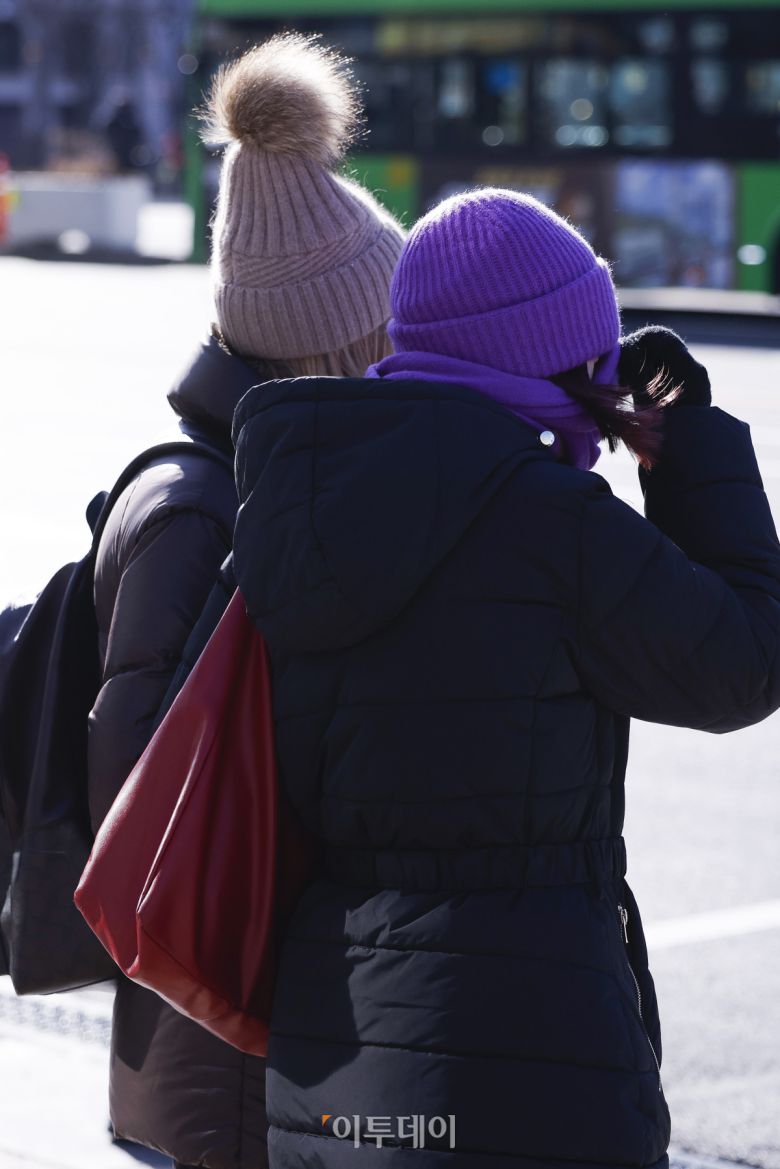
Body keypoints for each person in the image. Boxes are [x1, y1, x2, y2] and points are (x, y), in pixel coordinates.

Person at [230, 188, 780, 1168]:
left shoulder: (301, 499)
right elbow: (743, 662)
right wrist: (686, 439)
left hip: (331, 1032)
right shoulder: (552, 524)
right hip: (526, 1049)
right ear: (548, 356)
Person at [87, 32, 405, 1169]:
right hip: (221, 1064)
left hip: (222, 1055)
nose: (394, 368)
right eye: (381, 341)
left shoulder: (227, 488)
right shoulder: (204, 515)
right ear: (327, 354)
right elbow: (154, 819)